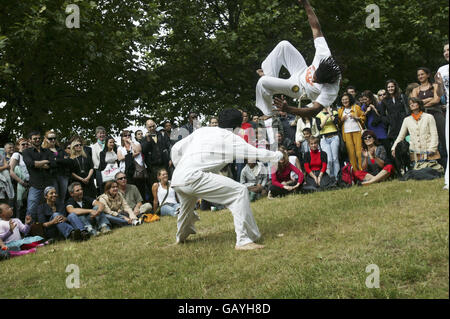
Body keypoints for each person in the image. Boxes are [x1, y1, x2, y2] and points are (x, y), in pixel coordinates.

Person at [170, 108, 284, 250]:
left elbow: (176, 148)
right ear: (239, 125)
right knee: (240, 191)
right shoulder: (232, 138)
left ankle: (180, 239)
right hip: (193, 177)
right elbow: (255, 153)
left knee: (186, 209)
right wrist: (277, 155)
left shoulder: (202, 131)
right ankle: (243, 241)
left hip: (178, 177)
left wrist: (180, 166)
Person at [259, 0, 341, 119]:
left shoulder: (331, 90)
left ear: (326, 83)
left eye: (316, 81)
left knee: (263, 82)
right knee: (284, 45)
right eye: (315, 75)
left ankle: (269, 111)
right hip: (301, 71)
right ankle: (268, 75)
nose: (313, 78)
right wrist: (306, 4)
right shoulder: (324, 55)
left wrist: (288, 109)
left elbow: (313, 111)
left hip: (298, 89)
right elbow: (316, 28)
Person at [392, 97, 442, 172]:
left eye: (414, 103)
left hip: (429, 151)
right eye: (410, 104)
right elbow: (400, 136)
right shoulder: (407, 120)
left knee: (431, 170)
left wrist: (432, 148)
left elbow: (434, 135)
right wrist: (394, 148)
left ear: (419, 104)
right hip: (415, 153)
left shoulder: (429, 117)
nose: (412, 105)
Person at [411, 67, 447, 167]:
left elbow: (436, 100)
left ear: (428, 75)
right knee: (429, 140)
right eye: (418, 75)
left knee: (443, 137)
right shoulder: (416, 89)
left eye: (422, 74)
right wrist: (429, 99)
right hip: (424, 117)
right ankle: (435, 163)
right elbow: (414, 103)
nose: (420, 76)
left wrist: (421, 103)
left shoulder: (435, 86)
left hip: (436, 113)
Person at [22, 131, 57, 221]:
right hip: (35, 184)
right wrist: (45, 161)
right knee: (31, 209)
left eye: (39, 138)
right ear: (30, 140)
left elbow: (53, 164)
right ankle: (27, 231)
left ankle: (52, 229)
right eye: (35, 138)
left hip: (49, 184)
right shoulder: (26, 152)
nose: (37, 140)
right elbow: (30, 164)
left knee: (52, 206)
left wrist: (37, 164)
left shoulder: (47, 151)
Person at [41, 130, 69, 212]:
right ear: (46, 139)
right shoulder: (44, 150)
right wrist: (60, 160)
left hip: (63, 175)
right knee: (54, 197)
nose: (53, 140)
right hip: (51, 176)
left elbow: (68, 161)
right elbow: (46, 164)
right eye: (50, 138)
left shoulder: (60, 149)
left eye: (54, 138)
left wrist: (54, 160)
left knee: (63, 197)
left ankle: (62, 214)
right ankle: (55, 215)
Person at [338, 93, 366, 171]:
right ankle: (355, 172)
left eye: (346, 99)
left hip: (357, 131)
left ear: (350, 99)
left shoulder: (356, 107)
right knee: (351, 153)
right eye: (343, 100)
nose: (345, 101)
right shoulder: (340, 110)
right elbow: (338, 123)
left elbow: (363, 117)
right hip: (346, 133)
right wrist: (342, 120)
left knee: (359, 152)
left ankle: (361, 170)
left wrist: (356, 117)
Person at [117, 130, 146, 201]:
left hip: (137, 170)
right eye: (125, 135)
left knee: (140, 188)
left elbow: (138, 151)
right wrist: (131, 156)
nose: (127, 137)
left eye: (129, 135)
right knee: (129, 188)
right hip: (126, 170)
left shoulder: (136, 143)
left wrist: (130, 142)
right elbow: (120, 158)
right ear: (122, 138)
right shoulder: (120, 148)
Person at [435, 42, 449, 189]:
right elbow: (439, 95)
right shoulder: (442, 70)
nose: (446, 52)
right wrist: (438, 84)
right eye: (444, 50)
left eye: (448, 49)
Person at [361, 90, 389, 154]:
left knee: (386, 148)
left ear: (370, 99)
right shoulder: (363, 107)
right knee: (376, 151)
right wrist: (367, 111)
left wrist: (374, 109)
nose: (365, 101)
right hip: (371, 131)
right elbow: (362, 118)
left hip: (380, 129)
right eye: (363, 100)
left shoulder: (378, 104)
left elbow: (381, 115)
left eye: (366, 99)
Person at [8, 138, 30, 221]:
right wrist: (21, 182)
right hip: (20, 184)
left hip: (30, 184)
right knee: (20, 207)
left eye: (27, 144)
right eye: (23, 144)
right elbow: (10, 170)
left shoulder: (28, 155)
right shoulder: (16, 155)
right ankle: (19, 229)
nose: (25, 146)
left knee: (27, 206)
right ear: (18, 146)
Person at [316, 105, 340, 179]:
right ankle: (330, 178)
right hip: (324, 138)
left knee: (335, 158)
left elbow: (336, 122)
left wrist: (330, 113)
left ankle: (337, 178)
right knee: (328, 159)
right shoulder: (318, 115)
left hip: (334, 136)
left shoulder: (334, 112)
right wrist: (326, 117)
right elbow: (319, 127)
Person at [90, 126, 107, 195]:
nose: (102, 135)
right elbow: (95, 160)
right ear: (96, 135)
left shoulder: (109, 144)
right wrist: (102, 168)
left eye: (103, 133)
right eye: (100, 133)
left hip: (110, 170)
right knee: (102, 189)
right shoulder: (93, 147)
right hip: (99, 170)